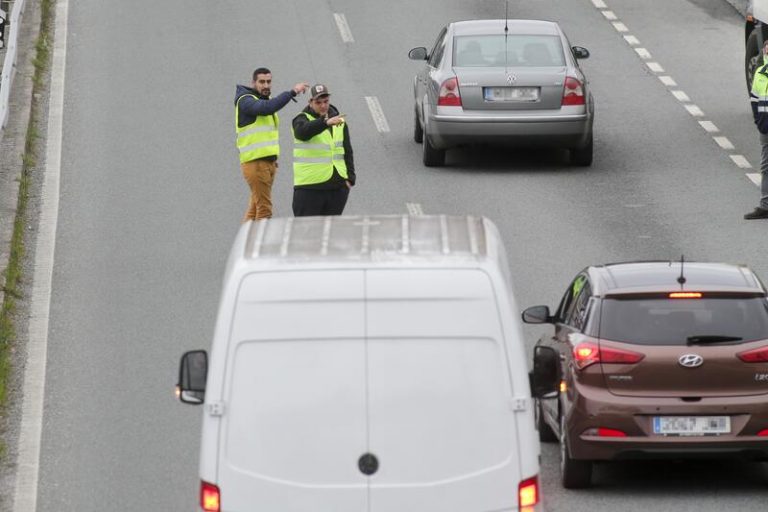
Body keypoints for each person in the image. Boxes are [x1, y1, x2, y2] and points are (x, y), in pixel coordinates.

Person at [235, 68, 309, 221]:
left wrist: (272, 158)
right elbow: (267, 109)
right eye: (262, 82)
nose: (266, 85)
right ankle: (259, 244)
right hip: (255, 164)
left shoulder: (261, 101)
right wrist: (292, 92)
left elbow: (264, 135)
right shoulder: (245, 100)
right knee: (264, 210)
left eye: (268, 81)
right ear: (253, 83)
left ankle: (244, 244)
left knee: (255, 208)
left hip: (267, 163)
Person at [291, 84, 356, 216]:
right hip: (310, 188)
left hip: (337, 188)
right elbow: (301, 133)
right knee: (306, 234)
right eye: (318, 102)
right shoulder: (301, 119)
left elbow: (347, 150)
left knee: (330, 233)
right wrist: (324, 122)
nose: (323, 106)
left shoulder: (339, 120)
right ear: (310, 102)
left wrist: (350, 178)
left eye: (326, 101)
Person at [746, 40, 768, 219]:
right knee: (766, 166)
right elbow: (755, 98)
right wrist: (758, 122)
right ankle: (766, 205)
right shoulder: (761, 73)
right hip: (765, 126)